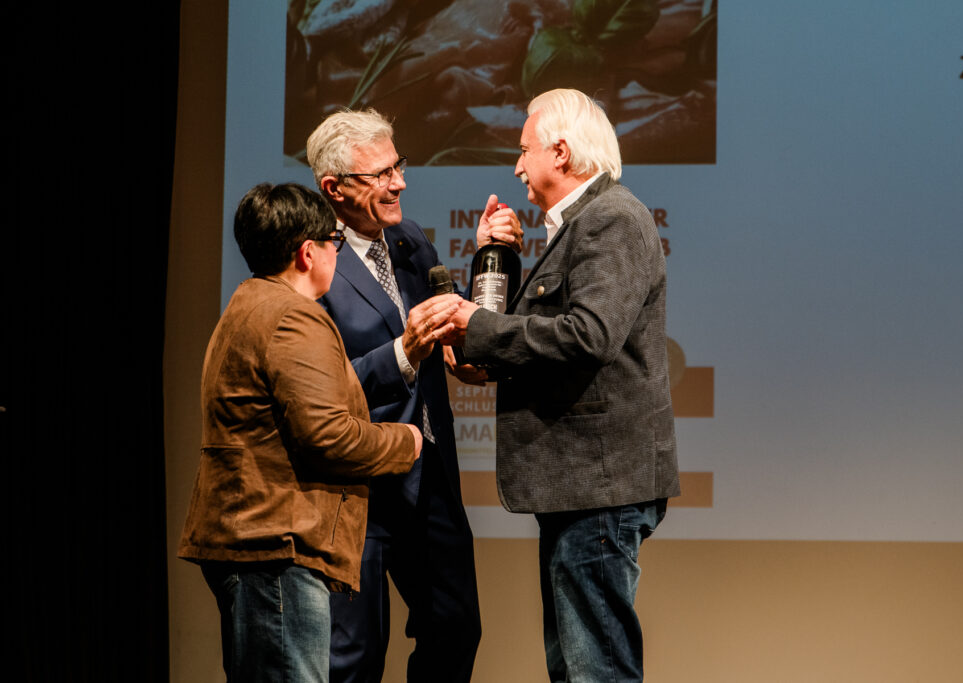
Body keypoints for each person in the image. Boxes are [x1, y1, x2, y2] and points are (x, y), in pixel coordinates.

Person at [445, 88, 681, 683]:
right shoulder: (581, 223)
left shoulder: (611, 218)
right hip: (579, 486)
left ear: (561, 150)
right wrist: (495, 264)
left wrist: (478, 328)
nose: (517, 166)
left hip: (598, 486)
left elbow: (589, 336)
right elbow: (555, 328)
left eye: (524, 151)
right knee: (576, 669)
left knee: (593, 669)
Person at [305, 108, 521, 683]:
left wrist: (487, 257)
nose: (399, 182)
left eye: (397, 165)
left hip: (432, 477)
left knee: (456, 629)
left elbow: (449, 342)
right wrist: (404, 351)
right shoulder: (313, 263)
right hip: (361, 487)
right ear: (335, 189)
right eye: (380, 174)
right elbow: (321, 388)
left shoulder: (410, 239)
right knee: (356, 658)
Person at [177, 182, 422, 683]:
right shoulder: (292, 317)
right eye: (335, 239)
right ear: (308, 252)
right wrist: (407, 441)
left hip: (259, 543)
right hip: (275, 548)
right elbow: (330, 436)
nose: (339, 250)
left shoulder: (250, 305)